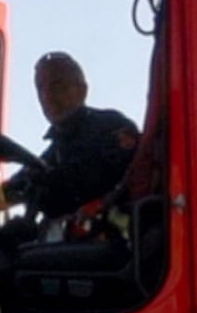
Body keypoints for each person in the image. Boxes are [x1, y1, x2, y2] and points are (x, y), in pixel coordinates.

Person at [12, 52, 141, 227]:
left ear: (82, 90)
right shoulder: (52, 154)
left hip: (107, 238)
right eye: (41, 88)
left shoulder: (111, 128)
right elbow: (14, 188)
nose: (47, 96)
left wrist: (100, 206)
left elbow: (130, 177)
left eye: (57, 85)